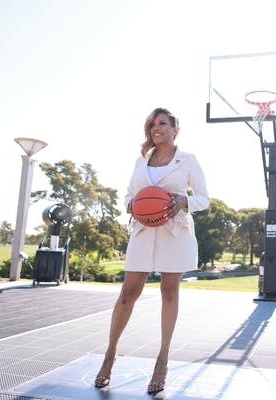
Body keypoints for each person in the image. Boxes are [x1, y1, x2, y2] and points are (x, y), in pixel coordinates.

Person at [94, 107, 209, 395]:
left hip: (175, 234)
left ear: (174, 129)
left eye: (162, 123)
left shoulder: (188, 160)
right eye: (152, 125)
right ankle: (109, 355)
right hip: (143, 233)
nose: (156, 128)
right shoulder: (141, 160)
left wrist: (184, 201)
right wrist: (131, 205)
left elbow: (204, 199)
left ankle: (162, 360)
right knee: (128, 294)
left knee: (169, 292)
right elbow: (129, 195)